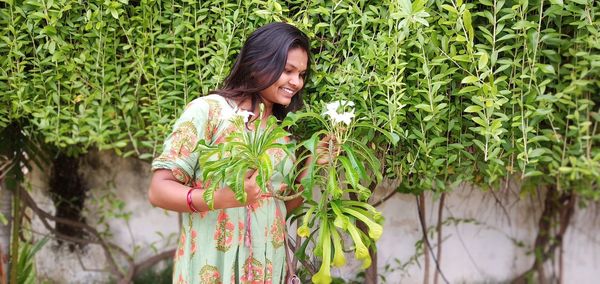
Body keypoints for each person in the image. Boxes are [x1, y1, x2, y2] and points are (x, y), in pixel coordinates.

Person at [148, 22, 327, 283]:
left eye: (301, 74)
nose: (296, 82)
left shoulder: (283, 133)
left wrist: (311, 166)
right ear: (258, 63)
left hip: (268, 269)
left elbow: (280, 208)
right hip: (212, 266)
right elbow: (158, 190)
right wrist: (220, 198)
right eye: (288, 70)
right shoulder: (209, 111)